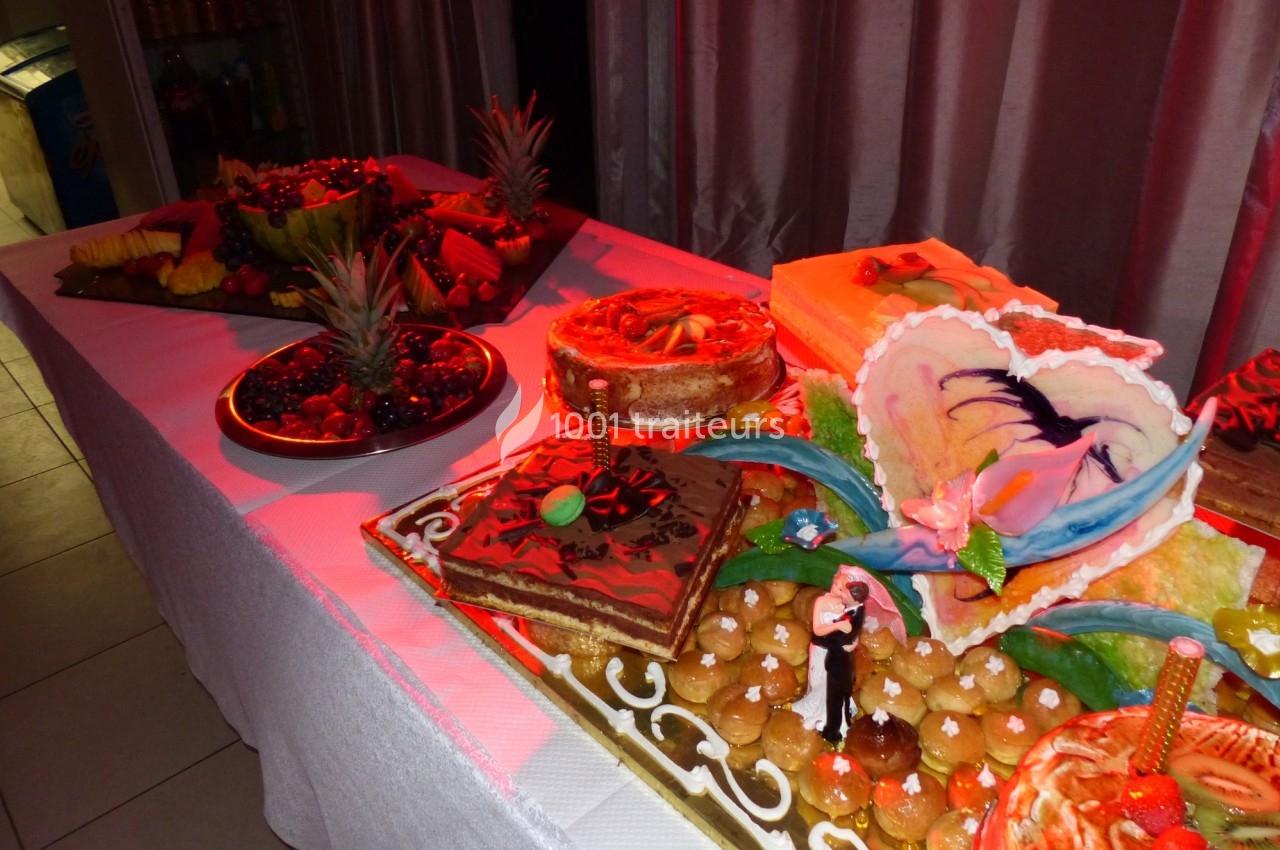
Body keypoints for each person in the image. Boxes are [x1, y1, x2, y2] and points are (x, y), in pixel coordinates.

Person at [794, 571, 869, 744]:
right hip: (820, 648)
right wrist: (837, 625)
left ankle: (828, 718)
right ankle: (813, 711)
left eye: (842, 588)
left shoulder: (848, 605)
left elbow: (854, 631)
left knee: (832, 685)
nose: (838, 590)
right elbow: (818, 630)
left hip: (837, 653)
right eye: (836, 585)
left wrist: (853, 644)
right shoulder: (821, 601)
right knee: (818, 682)